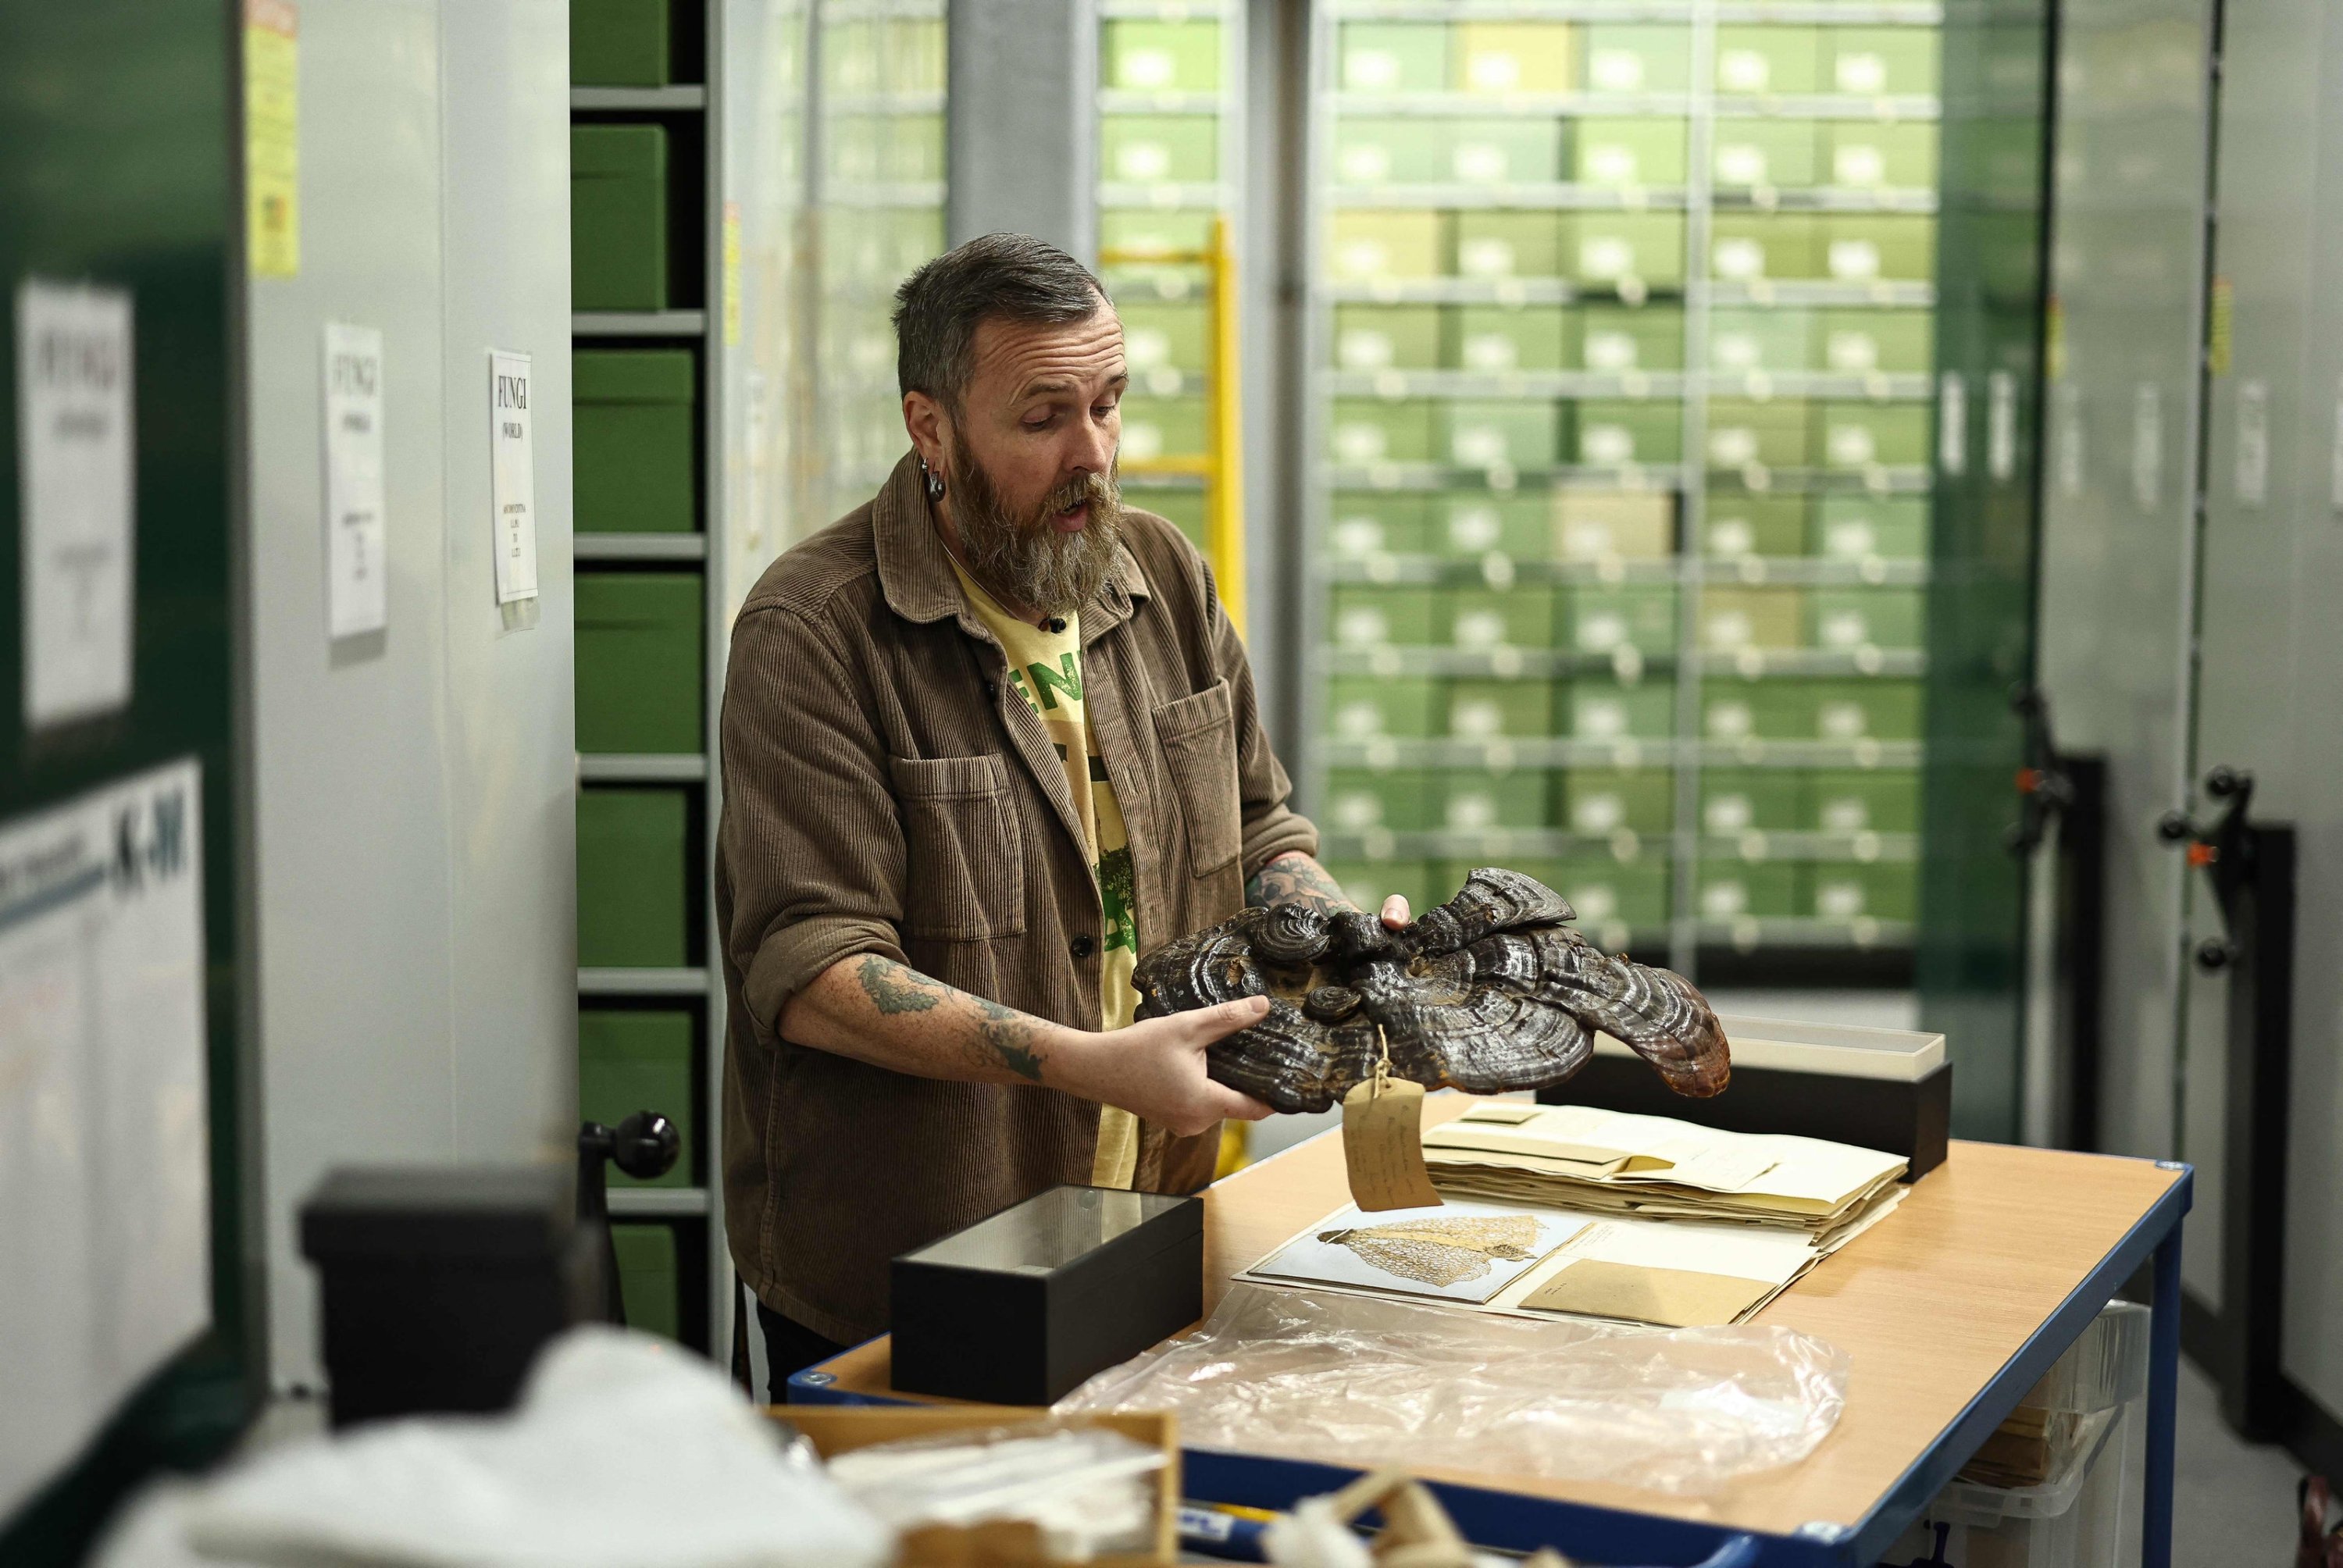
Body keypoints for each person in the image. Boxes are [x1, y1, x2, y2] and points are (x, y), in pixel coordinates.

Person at [715, 232, 1407, 1390]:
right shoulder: (815, 634)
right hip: (918, 1267)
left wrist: (1334, 939)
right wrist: (1092, 1064)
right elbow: (814, 974)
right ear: (929, 426)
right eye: (1043, 419)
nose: (1092, 454)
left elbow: (1261, 833)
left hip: (1153, 1220)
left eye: (1110, 404)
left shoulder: (1164, 577)